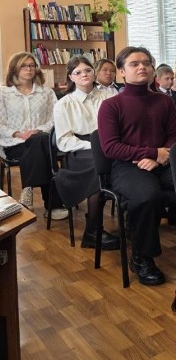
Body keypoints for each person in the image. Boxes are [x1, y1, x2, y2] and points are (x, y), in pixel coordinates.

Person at [97, 46, 176, 286]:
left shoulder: (164, 101)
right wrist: (152, 152)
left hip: (162, 161)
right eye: (134, 64)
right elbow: (111, 148)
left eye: (146, 63)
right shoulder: (111, 105)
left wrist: (160, 156)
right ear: (122, 71)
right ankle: (141, 257)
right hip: (127, 166)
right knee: (147, 197)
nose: (142, 67)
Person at [53, 56, 119, 249]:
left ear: (94, 72)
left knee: (125, 163)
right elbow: (64, 140)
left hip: (108, 144)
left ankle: (131, 222)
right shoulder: (64, 104)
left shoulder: (109, 97)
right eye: (78, 72)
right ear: (71, 77)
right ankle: (92, 231)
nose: (84, 75)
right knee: (98, 165)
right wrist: (94, 146)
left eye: (88, 70)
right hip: (78, 150)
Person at [0, 52, 65, 218]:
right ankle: (53, 205)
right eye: (24, 66)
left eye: (32, 65)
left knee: (40, 141)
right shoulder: (3, 93)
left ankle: (28, 186)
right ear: (15, 69)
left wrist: (38, 130)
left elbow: (55, 119)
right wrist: (17, 133)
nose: (29, 69)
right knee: (44, 151)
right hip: (14, 143)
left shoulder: (47, 92)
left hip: (41, 138)